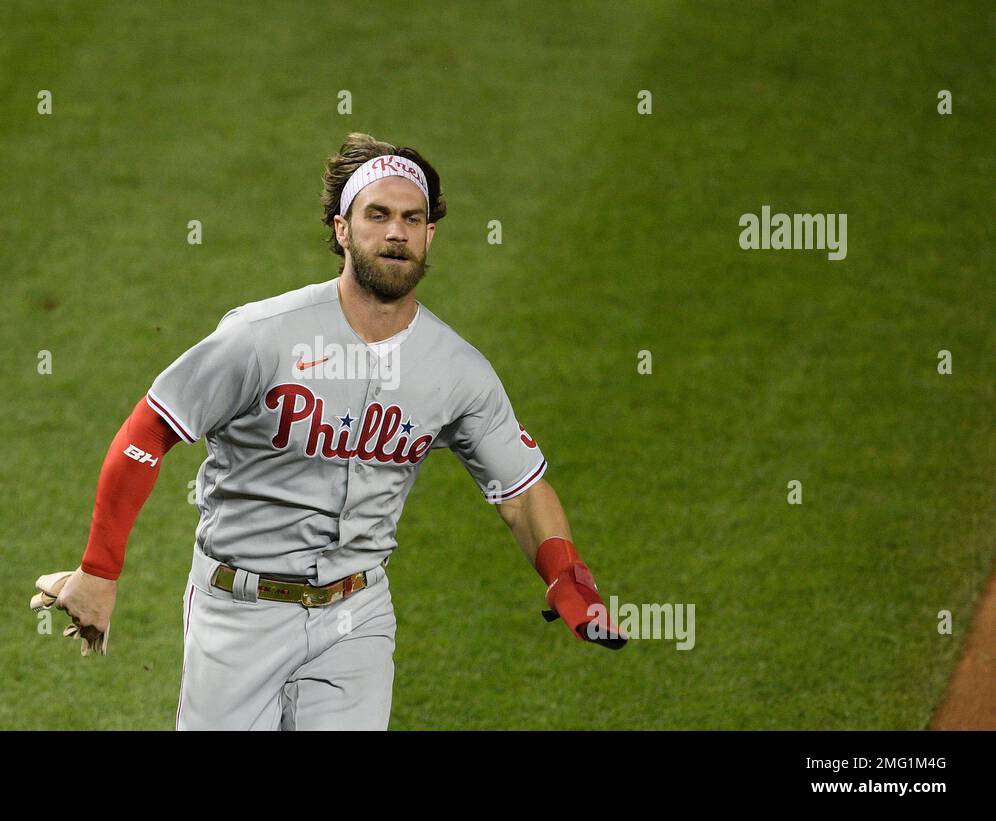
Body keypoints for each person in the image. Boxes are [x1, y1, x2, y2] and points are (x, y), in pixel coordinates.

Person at [31, 132, 625, 731]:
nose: (396, 233)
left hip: (357, 617)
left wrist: (567, 575)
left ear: (429, 236)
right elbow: (147, 433)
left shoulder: (457, 370)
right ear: (343, 229)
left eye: (411, 219)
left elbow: (521, 492)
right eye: (378, 215)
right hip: (239, 615)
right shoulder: (263, 336)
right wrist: (101, 571)